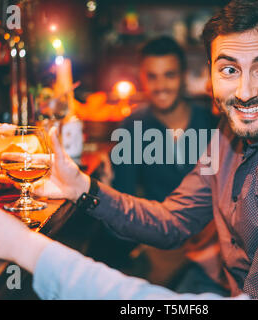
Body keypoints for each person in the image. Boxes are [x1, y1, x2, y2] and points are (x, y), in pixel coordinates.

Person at [0, 0, 258, 299]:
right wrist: (83, 188)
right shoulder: (232, 128)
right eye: (228, 69)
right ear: (209, 72)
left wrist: (28, 249)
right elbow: (173, 219)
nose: (244, 92)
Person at [107, 35, 226, 295]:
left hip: (212, 246)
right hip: (157, 241)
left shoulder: (214, 124)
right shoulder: (131, 127)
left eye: (169, 75)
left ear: (184, 76)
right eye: (152, 77)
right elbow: (124, 198)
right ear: (142, 78)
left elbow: (228, 195)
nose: (160, 86)